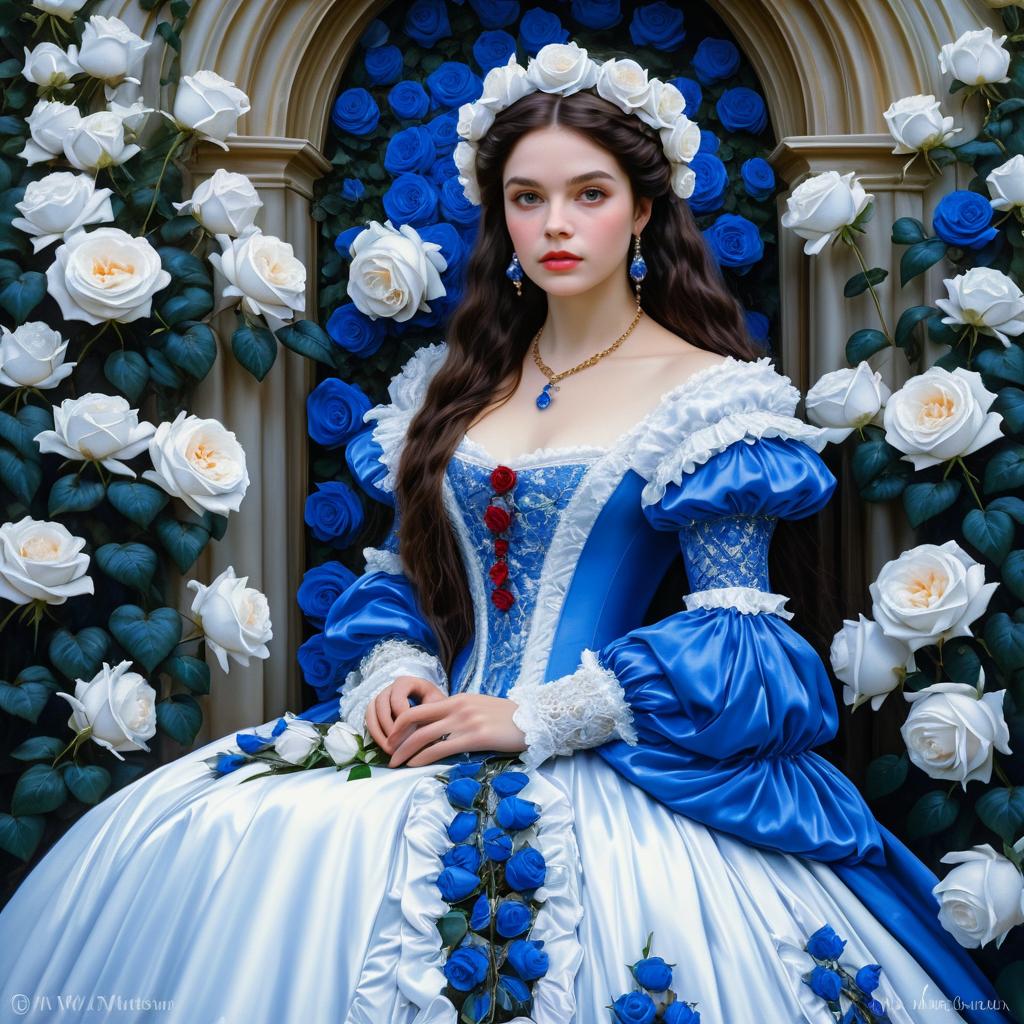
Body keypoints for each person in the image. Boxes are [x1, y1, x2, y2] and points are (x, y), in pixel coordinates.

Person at [0, 42, 1012, 1024]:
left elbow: (736, 637)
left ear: (645, 210)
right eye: (526, 198)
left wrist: (534, 718)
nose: (554, 224)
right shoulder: (461, 384)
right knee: (214, 836)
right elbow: (407, 578)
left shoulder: (710, 396)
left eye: (589, 193)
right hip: (430, 738)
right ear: (499, 216)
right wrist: (395, 672)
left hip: (608, 759)